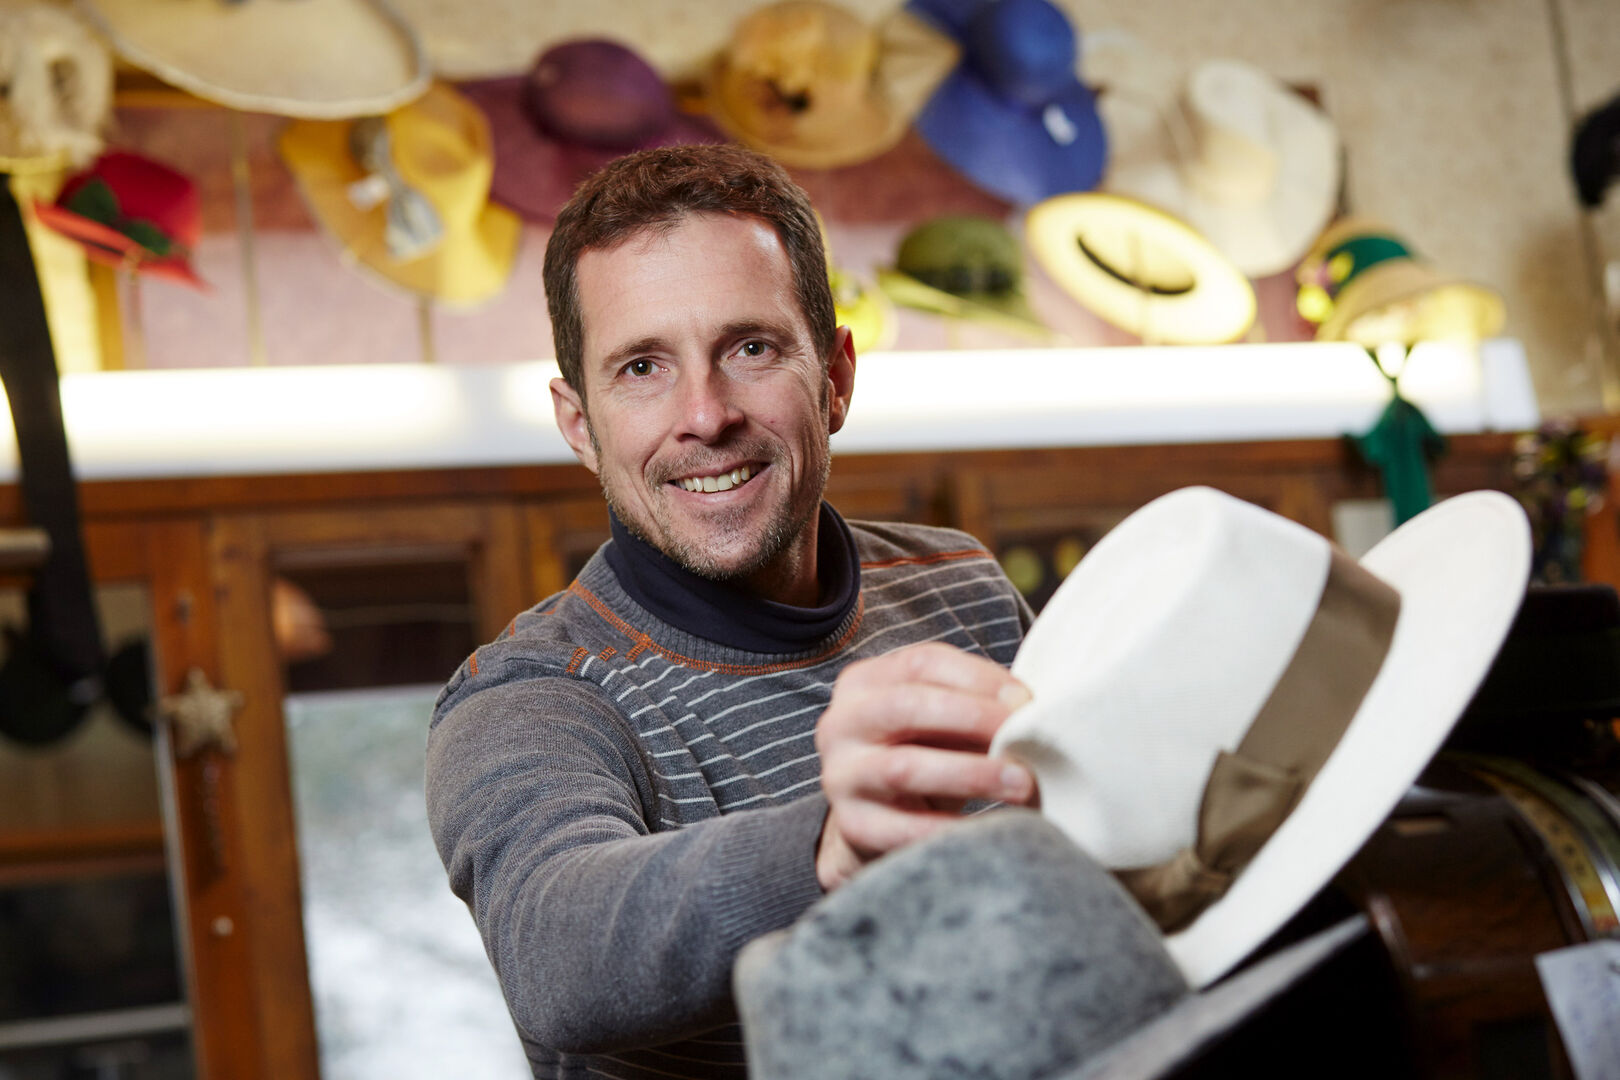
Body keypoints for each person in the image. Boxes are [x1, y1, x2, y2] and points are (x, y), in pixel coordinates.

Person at [426, 144, 1039, 1080]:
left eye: (750, 349)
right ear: (580, 425)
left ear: (835, 378)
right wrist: (830, 847)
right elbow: (559, 959)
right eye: (642, 367)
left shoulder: (962, 585)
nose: (706, 415)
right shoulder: (528, 695)